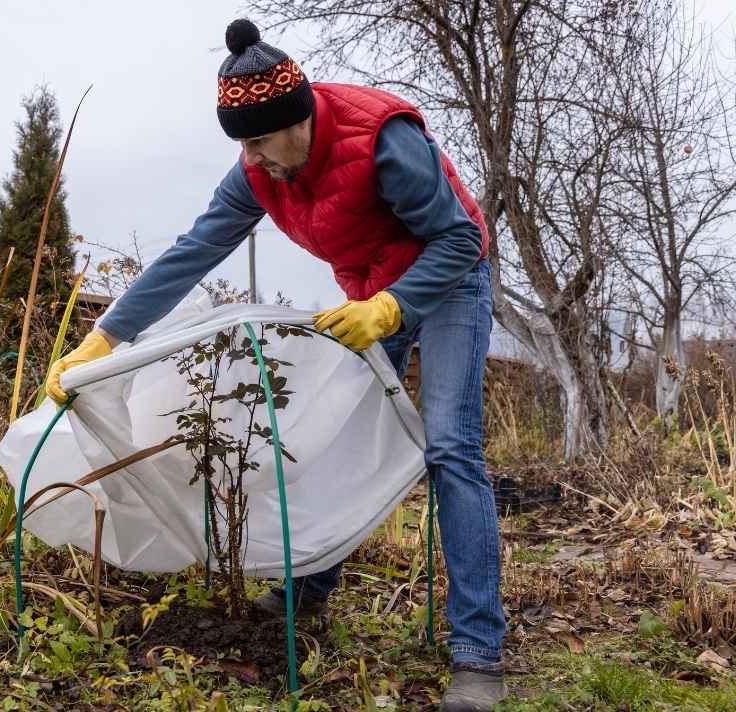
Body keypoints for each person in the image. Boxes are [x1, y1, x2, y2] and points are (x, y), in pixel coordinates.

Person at [46, 18, 507, 711]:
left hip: (448, 280)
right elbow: (193, 250)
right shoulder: (258, 173)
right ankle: (307, 591)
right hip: (369, 288)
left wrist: (391, 307)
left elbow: (458, 236)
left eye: (259, 141)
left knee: (448, 447)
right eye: (243, 145)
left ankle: (478, 657)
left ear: (301, 122)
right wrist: (106, 338)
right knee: (338, 438)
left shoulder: (383, 143)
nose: (252, 159)